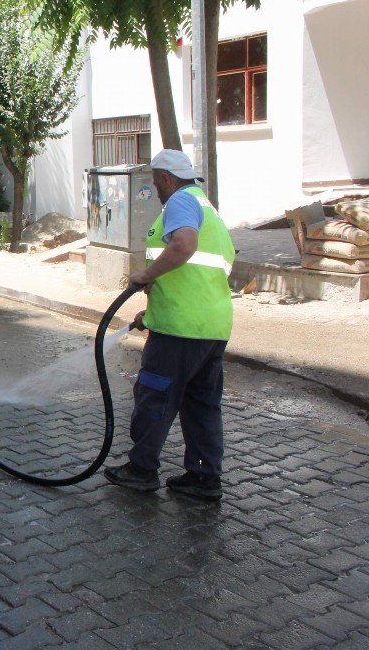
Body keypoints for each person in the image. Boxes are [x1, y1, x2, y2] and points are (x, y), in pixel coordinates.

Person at [104, 149, 235, 501]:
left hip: (180, 330)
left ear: (165, 178)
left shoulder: (179, 202)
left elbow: (184, 246)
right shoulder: (208, 209)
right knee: (201, 404)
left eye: (155, 182)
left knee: (155, 396)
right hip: (211, 328)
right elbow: (196, 279)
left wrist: (146, 274)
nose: (156, 189)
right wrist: (151, 314)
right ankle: (204, 478)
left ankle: (142, 469)